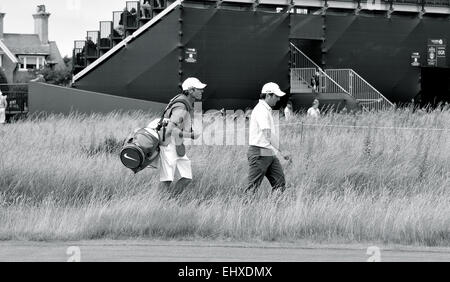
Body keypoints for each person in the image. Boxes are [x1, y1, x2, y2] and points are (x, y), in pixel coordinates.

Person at [157, 77, 205, 197]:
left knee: (186, 177)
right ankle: (162, 202)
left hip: (175, 143)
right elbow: (170, 129)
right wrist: (191, 135)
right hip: (168, 144)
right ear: (190, 90)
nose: (202, 91)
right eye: (198, 89)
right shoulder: (181, 106)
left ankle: (169, 200)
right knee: (167, 179)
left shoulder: (183, 103)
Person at [246, 82, 291, 194]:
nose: (279, 99)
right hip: (260, 151)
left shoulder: (265, 109)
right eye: (276, 96)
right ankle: (244, 209)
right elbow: (268, 134)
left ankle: (274, 209)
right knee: (252, 188)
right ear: (268, 95)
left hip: (267, 151)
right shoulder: (261, 110)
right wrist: (283, 150)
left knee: (280, 184)